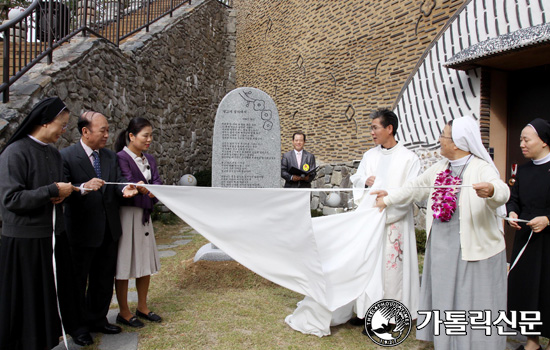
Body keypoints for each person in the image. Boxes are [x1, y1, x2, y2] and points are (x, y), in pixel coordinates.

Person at [374, 116, 509, 349]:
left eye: (443, 136)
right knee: (445, 298)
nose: (439, 140)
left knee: (472, 300)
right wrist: (387, 199)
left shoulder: (481, 167)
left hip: (472, 248)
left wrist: (492, 191)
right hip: (442, 248)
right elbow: (414, 188)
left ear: (456, 143)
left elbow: (502, 190)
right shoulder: (440, 169)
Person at [0, 97, 93, 349]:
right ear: (44, 123)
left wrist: (63, 192)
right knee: (28, 301)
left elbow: (54, 193)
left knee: (51, 297)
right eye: (61, 126)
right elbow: (11, 199)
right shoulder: (14, 153)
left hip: (53, 236)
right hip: (25, 243)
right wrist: (52, 190)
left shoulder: (53, 154)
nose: (64, 131)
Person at [61, 111, 137, 337]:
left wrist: (126, 188)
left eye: (107, 130)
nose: (107, 135)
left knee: (103, 279)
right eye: (102, 130)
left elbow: (117, 182)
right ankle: (78, 327)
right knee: (77, 281)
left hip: (108, 229)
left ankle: (98, 319)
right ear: (85, 131)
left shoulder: (109, 156)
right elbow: (63, 190)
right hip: (80, 232)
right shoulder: (66, 156)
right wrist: (83, 187)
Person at [349, 108, 420, 327]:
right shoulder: (370, 156)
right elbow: (356, 177)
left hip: (394, 222)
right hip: (371, 220)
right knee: (367, 265)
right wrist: (364, 181)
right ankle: (363, 312)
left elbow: (412, 190)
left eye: (375, 127)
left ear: (389, 128)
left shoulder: (409, 159)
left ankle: (388, 317)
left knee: (391, 271)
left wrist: (388, 202)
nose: (371, 132)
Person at [113, 117, 163, 328]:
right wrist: (142, 188)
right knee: (124, 263)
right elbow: (125, 181)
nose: (149, 139)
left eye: (151, 135)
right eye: (145, 135)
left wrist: (151, 191)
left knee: (145, 263)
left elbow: (158, 183)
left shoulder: (149, 159)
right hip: (127, 215)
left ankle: (142, 306)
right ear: (131, 136)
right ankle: (123, 311)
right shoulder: (120, 158)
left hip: (144, 216)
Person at [507, 118, 550, 350]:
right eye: (520, 139)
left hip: (548, 238)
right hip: (527, 238)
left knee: (547, 288)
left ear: (543, 141)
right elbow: (514, 201)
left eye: (526, 139)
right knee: (527, 288)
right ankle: (532, 342)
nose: (521, 144)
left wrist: (547, 219)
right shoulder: (522, 171)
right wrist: (513, 213)